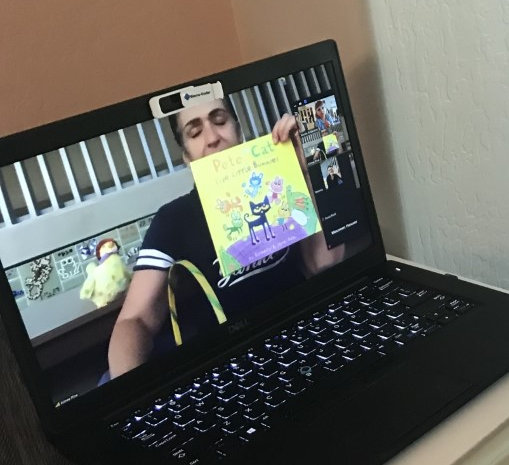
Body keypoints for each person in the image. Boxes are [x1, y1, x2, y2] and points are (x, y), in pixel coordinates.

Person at [107, 99, 344, 378]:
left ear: (238, 130)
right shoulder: (173, 219)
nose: (212, 138)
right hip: (232, 364)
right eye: (194, 133)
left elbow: (324, 263)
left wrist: (305, 171)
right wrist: (133, 394)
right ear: (186, 156)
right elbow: (136, 319)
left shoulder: (277, 183)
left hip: (305, 334)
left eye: (219, 121)